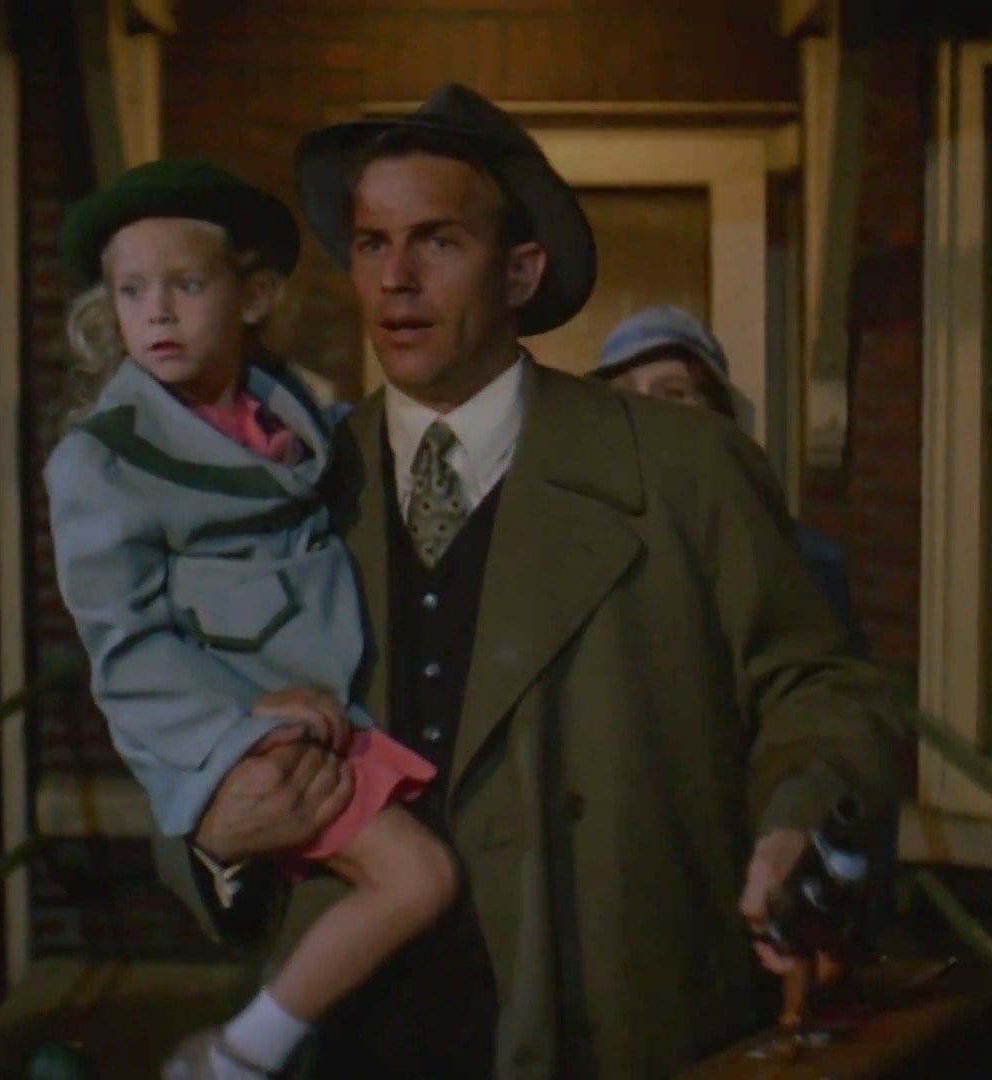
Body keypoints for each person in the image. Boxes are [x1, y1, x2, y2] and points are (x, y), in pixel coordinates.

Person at [151, 84, 905, 1077]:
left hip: (609, 1029)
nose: (397, 279)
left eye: (438, 241)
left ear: (520, 271)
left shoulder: (682, 471)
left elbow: (821, 688)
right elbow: (184, 735)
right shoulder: (282, 493)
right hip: (352, 1041)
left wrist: (799, 821)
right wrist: (215, 838)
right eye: (373, 244)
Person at [41, 157, 465, 1080]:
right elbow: (127, 644)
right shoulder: (101, 462)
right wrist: (244, 725)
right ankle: (236, 1057)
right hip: (239, 739)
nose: (157, 313)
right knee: (419, 878)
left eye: (187, 286)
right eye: (132, 292)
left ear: (254, 296)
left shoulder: (292, 418)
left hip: (328, 711)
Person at [591, 305, 869, 656]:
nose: (645, 412)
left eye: (672, 394)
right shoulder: (581, 554)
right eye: (625, 395)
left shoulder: (801, 560)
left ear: (718, 417)